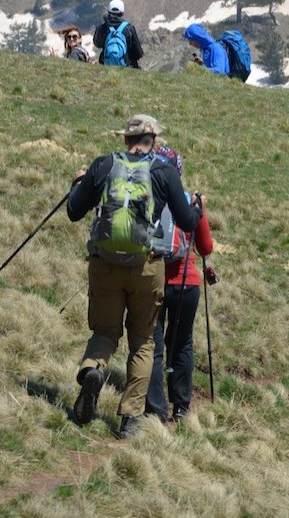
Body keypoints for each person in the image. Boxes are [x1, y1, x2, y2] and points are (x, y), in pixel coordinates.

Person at [65, 114, 202, 439]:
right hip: (146, 267)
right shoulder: (164, 172)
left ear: (126, 139)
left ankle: (92, 369)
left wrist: (77, 183)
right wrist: (196, 207)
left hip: (105, 265)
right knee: (142, 341)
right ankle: (129, 418)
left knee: (105, 332)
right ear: (153, 140)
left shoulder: (103, 165)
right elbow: (186, 222)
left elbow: (74, 211)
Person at [144, 146, 215, 424]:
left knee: (153, 341)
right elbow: (206, 246)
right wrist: (202, 211)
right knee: (182, 342)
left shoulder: (149, 199)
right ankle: (182, 406)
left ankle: (155, 407)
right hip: (187, 284)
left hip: (155, 278)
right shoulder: (190, 202)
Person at [93, 0, 144, 68]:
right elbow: (138, 53)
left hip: (106, 65)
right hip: (127, 66)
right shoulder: (129, 28)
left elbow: (97, 44)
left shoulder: (101, 28)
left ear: (108, 11)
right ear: (122, 13)